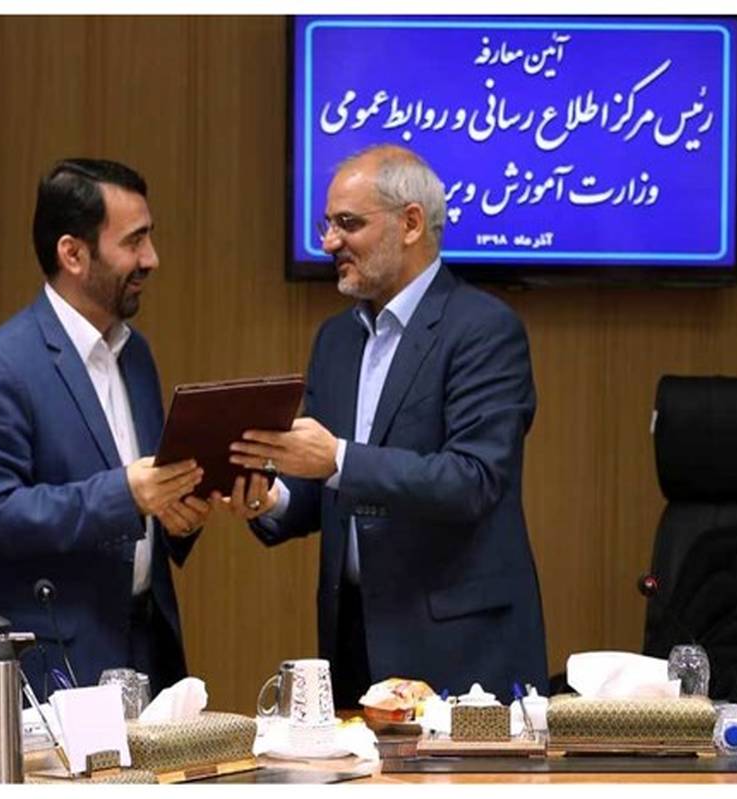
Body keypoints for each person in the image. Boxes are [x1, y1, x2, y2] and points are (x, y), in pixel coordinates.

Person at [218, 145, 548, 707]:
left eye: (348, 224)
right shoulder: (336, 340)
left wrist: (337, 459)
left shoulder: (484, 330)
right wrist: (271, 499)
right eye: (326, 225)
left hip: (459, 646)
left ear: (411, 223)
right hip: (353, 636)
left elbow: (473, 480)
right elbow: (325, 485)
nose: (329, 243)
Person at [0, 158, 210, 699]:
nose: (151, 259)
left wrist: (176, 515)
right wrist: (126, 494)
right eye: (134, 242)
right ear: (72, 253)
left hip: (149, 651)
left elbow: (143, 497)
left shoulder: (136, 354)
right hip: (57, 667)